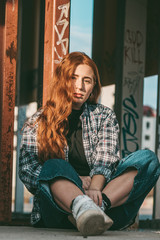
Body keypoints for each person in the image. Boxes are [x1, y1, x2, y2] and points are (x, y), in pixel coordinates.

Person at [19, 52, 160, 236]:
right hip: (59, 211)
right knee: (54, 166)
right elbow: (26, 169)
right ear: (62, 80)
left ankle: (95, 211)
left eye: (87, 80)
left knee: (148, 160)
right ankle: (81, 207)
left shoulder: (104, 116)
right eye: (73, 78)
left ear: (93, 86)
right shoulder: (39, 120)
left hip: (102, 200)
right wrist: (77, 181)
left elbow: (106, 160)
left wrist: (94, 188)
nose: (80, 86)